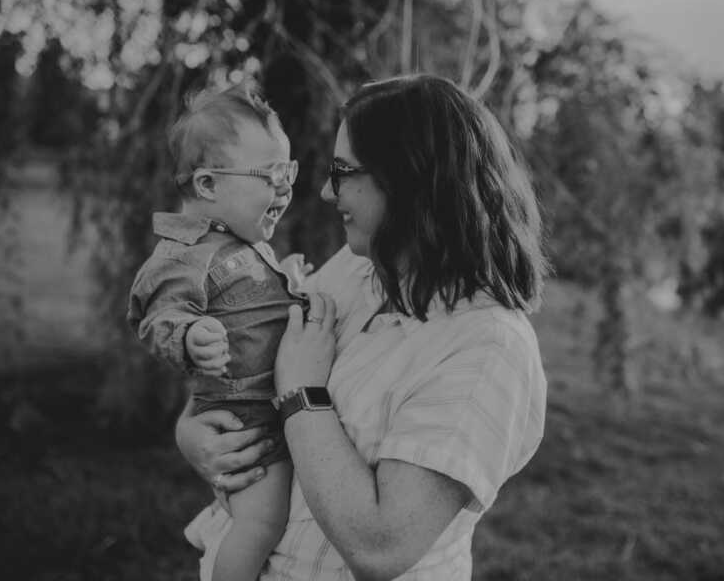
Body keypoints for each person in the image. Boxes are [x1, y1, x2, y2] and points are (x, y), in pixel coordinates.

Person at [178, 74, 548, 580]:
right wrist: (196, 434)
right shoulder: (360, 268)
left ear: (411, 180)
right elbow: (251, 360)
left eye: (343, 170)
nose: (328, 191)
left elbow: (380, 545)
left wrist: (302, 394)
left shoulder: (487, 346)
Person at [127, 80, 312, 581]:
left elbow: (251, 304)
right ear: (208, 186)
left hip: (265, 406)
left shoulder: (241, 240)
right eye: (272, 174)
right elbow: (156, 316)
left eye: (289, 172)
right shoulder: (183, 254)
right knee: (261, 522)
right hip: (245, 422)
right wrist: (187, 336)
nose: (286, 188)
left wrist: (287, 281)